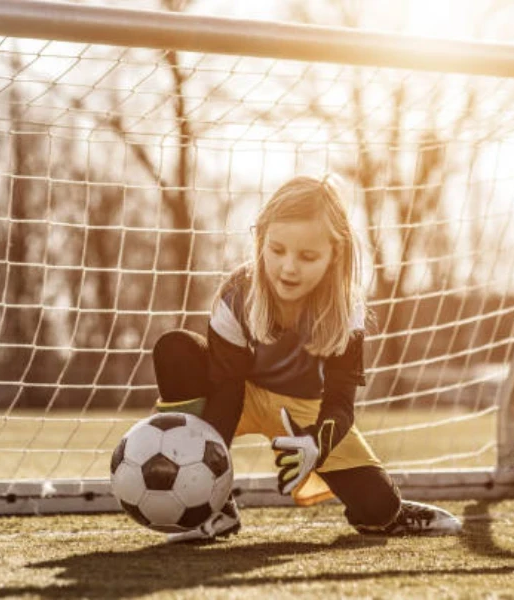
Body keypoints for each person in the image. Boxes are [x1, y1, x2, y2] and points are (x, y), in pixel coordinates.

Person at [151, 175, 462, 543]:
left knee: (377, 510)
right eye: (277, 250)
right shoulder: (235, 298)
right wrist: (204, 488)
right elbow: (226, 392)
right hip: (240, 397)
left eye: (307, 256)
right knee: (176, 351)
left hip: (309, 411)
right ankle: (217, 512)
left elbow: (341, 400)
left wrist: (316, 444)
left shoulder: (346, 309)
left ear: (335, 255)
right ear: (260, 240)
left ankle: (394, 511)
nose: (289, 267)